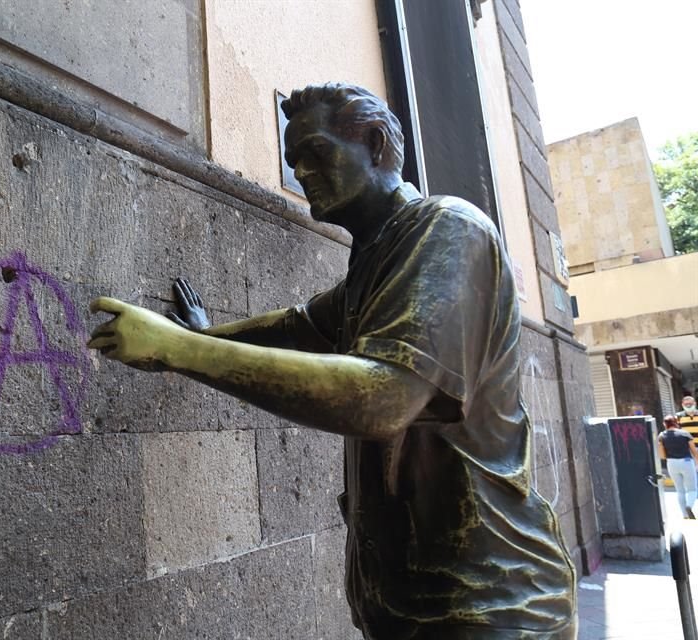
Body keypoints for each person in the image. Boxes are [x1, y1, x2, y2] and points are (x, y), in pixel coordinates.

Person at [87, 83, 576, 638]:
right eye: (293, 161)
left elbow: (382, 399)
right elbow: (299, 324)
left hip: (493, 608)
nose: (301, 173)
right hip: (415, 610)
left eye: (316, 153)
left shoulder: (447, 228)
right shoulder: (378, 256)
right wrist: (206, 334)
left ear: (375, 144)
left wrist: (181, 349)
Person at [658, 414, 698, 519]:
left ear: (664, 424)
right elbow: (694, 451)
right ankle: (689, 506)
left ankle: (684, 515)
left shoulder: (662, 435)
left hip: (671, 463)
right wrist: (697, 463)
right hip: (686, 462)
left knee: (680, 490)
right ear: (676, 422)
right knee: (692, 489)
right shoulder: (685, 434)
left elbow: (662, 455)